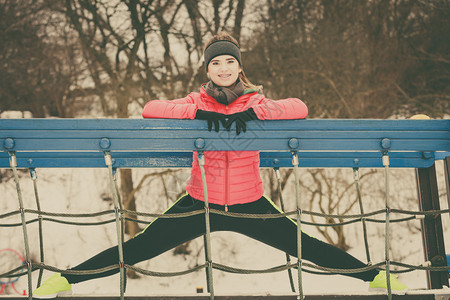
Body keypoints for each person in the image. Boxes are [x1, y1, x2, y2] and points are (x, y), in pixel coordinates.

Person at [33, 32, 407, 298]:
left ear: (240, 68)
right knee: (141, 246)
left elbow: (300, 107)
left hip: (250, 204)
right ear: (208, 70)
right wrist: (196, 113)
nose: (224, 67)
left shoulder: (256, 101)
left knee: (305, 245)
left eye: (230, 61)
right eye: (216, 62)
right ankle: (66, 280)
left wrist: (254, 113)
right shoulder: (196, 100)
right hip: (200, 202)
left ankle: (376, 278)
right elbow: (151, 108)